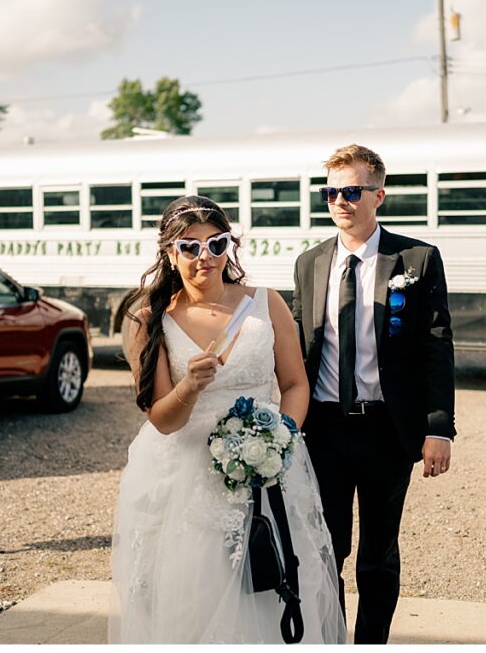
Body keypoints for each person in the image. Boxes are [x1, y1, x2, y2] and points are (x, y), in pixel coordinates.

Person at [108, 196, 346, 644]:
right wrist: (189, 387)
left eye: (216, 245)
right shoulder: (150, 320)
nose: (205, 258)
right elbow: (162, 419)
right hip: (186, 479)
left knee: (273, 583)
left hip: (269, 467)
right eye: (190, 247)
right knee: (196, 591)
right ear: (169, 253)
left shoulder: (266, 303)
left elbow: (295, 385)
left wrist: (281, 437)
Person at [292, 144, 456, 644]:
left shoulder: (416, 259)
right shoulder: (309, 263)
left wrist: (437, 427)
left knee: (378, 555)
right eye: (331, 192)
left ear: (378, 195)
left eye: (351, 191)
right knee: (327, 548)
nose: (340, 201)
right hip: (324, 429)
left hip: (388, 429)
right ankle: (333, 639)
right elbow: (298, 343)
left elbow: (435, 345)